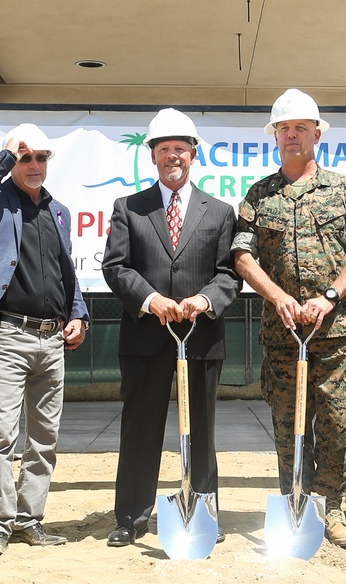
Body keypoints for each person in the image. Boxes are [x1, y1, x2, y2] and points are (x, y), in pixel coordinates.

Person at [232, 89, 346, 549]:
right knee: (287, 423)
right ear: (274, 137)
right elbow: (242, 255)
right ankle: (294, 501)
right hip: (283, 334)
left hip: (337, 333)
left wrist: (330, 296)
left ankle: (331, 508)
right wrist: (276, 296)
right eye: (283, 129)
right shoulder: (259, 195)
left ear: (317, 133)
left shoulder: (344, 189)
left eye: (300, 128)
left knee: (339, 423)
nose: (291, 135)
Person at [102, 108, 241, 548]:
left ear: (194, 154)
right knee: (140, 428)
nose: (172, 156)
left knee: (200, 429)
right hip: (145, 337)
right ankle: (131, 517)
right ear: (153, 156)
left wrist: (204, 301)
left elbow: (229, 274)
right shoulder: (129, 208)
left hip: (200, 338)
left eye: (180, 148)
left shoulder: (220, 213)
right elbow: (116, 267)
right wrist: (150, 300)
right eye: (164, 149)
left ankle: (201, 511)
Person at [0, 123, 90, 558]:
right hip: (10, 334)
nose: (34, 165)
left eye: (40, 157)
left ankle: (31, 520)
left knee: (45, 436)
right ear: (13, 160)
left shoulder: (59, 211)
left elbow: (68, 271)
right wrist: (4, 155)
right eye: (25, 157)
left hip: (53, 341)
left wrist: (78, 314)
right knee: (0, 435)